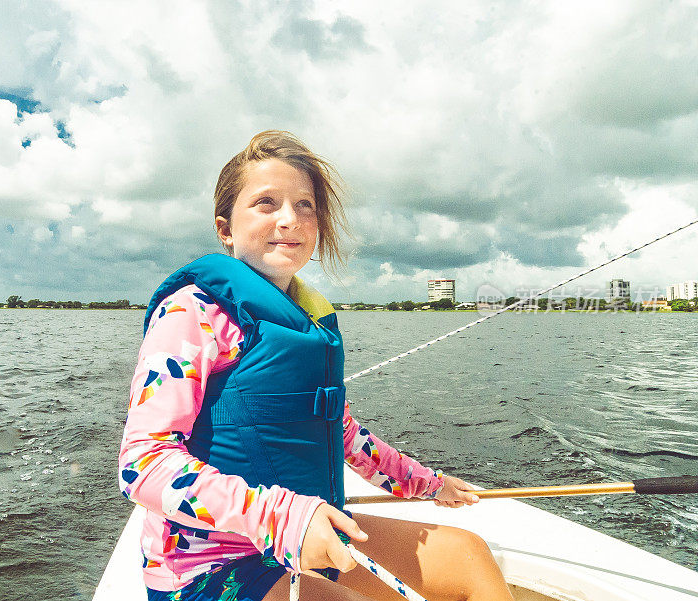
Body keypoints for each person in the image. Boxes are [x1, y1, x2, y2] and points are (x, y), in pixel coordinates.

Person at [119, 131, 513, 601]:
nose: (290, 219)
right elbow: (142, 464)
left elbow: (342, 433)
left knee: (468, 556)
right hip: (211, 565)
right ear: (225, 228)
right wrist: (287, 518)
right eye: (266, 203)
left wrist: (428, 484)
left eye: (305, 205)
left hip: (309, 535)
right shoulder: (191, 314)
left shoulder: (308, 322)